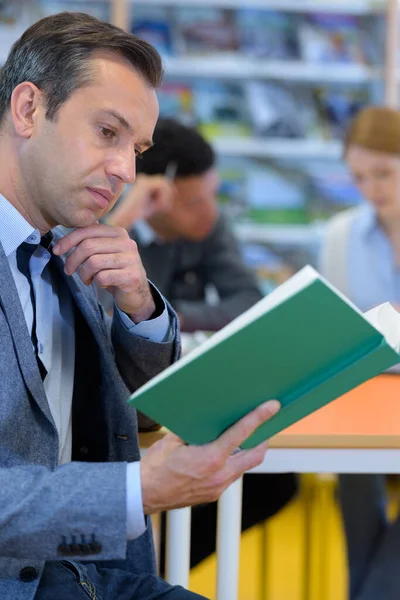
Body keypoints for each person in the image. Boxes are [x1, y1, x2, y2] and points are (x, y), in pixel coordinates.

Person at [0, 11, 283, 600]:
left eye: (137, 147)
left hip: (89, 570)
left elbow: (143, 415)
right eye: (108, 132)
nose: (126, 170)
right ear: (27, 109)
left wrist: (138, 307)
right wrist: (138, 492)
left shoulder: (70, 244)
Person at [104, 118, 298, 568]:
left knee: (276, 480)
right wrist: (122, 220)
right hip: (123, 411)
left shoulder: (207, 224)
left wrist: (158, 314)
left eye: (212, 193)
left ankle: (163, 566)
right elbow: (92, 313)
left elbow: (246, 301)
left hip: (189, 394)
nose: (209, 212)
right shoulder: (103, 218)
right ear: (155, 195)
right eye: (193, 200)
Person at [320, 105, 400, 600]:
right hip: (364, 396)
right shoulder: (340, 236)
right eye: (358, 177)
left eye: (385, 173)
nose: (372, 189)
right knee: (354, 492)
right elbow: (336, 330)